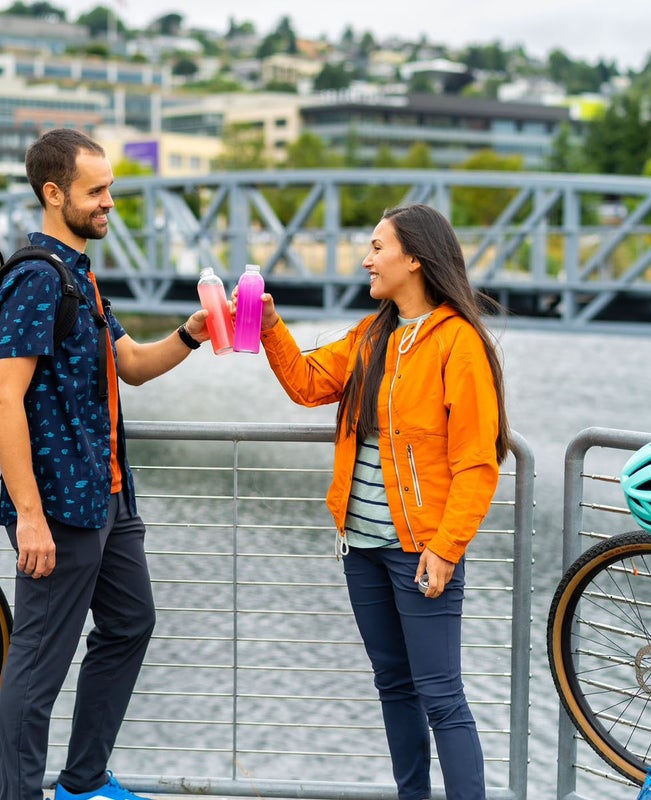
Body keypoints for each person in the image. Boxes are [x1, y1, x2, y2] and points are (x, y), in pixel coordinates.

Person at [240, 203, 510, 800]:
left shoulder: (457, 344)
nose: (366, 259)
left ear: (415, 259)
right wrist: (266, 324)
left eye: (377, 247)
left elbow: (476, 463)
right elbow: (308, 384)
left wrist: (446, 548)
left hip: (420, 551)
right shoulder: (373, 335)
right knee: (393, 684)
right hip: (359, 546)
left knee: (442, 696)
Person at [0, 128, 211, 800]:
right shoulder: (35, 280)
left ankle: (81, 782)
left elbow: (133, 366)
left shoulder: (79, 276)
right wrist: (30, 517)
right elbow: (3, 401)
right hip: (58, 509)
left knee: (130, 623)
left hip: (110, 499)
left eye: (110, 188)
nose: (110, 202)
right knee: (36, 668)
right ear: (54, 194)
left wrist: (191, 334)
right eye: (97, 191)